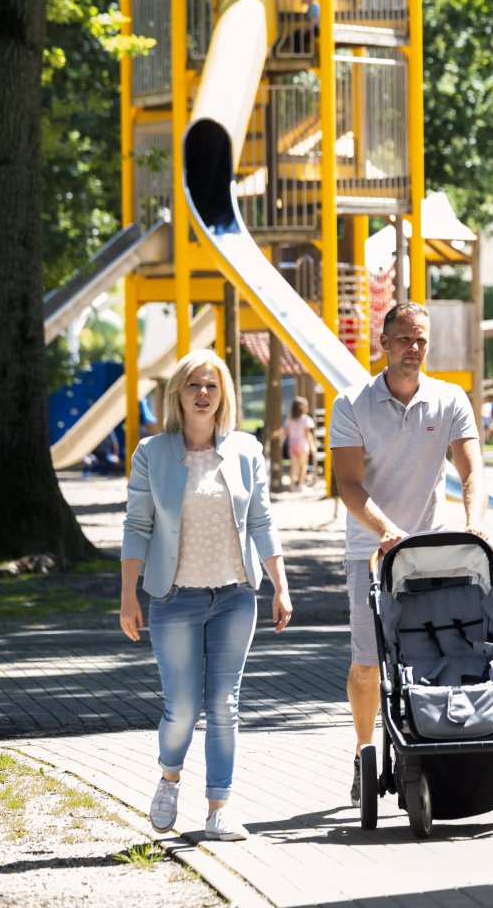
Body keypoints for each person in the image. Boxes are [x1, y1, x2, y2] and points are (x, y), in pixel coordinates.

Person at [120, 349, 291, 843]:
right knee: (182, 708)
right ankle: (169, 777)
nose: (202, 394)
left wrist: (280, 585)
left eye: (211, 386)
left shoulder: (246, 450)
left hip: (235, 596)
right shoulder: (151, 453)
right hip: (175, 598)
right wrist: (128, 596)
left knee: (224, 705)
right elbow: (137, 527)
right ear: (178, 393)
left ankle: (219, 808)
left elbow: (261, 520)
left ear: (223, 395)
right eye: (194, 385)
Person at [330, 301, 484, 808]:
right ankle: (365, 750)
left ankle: (436, 744)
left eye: (421, 340)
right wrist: (386, 530)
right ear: (384, 343)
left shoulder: (449, 398)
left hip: (431, 551)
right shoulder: (352, 404)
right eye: (404, 339)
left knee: (435, 653)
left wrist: (475, 522)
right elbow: (348, 484)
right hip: (370, 551)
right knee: (368, 664)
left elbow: (471, 470)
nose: (413, 348)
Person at [282, 395, 315, 488]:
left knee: (294, 466)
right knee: (303, 465)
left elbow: (286, 430)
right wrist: (312, 445)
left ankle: (292, 485)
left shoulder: (290, 419)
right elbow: (308, 434)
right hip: (302, 444)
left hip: (292, 444)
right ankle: (301, 485)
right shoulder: (305, 419)